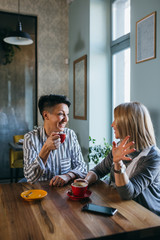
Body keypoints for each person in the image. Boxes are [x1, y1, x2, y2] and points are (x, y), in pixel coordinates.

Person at [75, 102, 160, 216]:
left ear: (128, 124)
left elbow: (128, 193)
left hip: (145, 217)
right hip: (121, 209)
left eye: (116, 120)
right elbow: (98, 170)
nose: (112, 124)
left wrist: (118, 163)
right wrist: (86, 181)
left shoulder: (153, 157)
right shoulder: (120, 147)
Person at [23, 94, 87, 186]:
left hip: (65, 193)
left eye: (67, 114)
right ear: (46, 115)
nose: (66, 119)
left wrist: (68, 176)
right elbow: (30, 177)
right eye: (61, 114)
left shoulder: (70, 135)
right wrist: (46, 148)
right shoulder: (30, 138)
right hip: (41, 191)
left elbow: (82, 168)